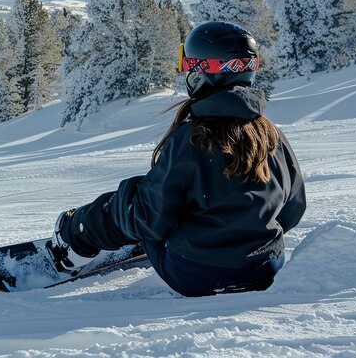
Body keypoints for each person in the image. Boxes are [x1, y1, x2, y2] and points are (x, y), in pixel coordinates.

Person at [49, 21, 306, 297]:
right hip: (264, 269)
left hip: (196, 273)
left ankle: (73, 246)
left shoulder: (193, 138)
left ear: (203, 71)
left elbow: (145, 214)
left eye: (188, 62)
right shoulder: (270, 135)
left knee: (140, 203)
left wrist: (79, 229)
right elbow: (293, 208)